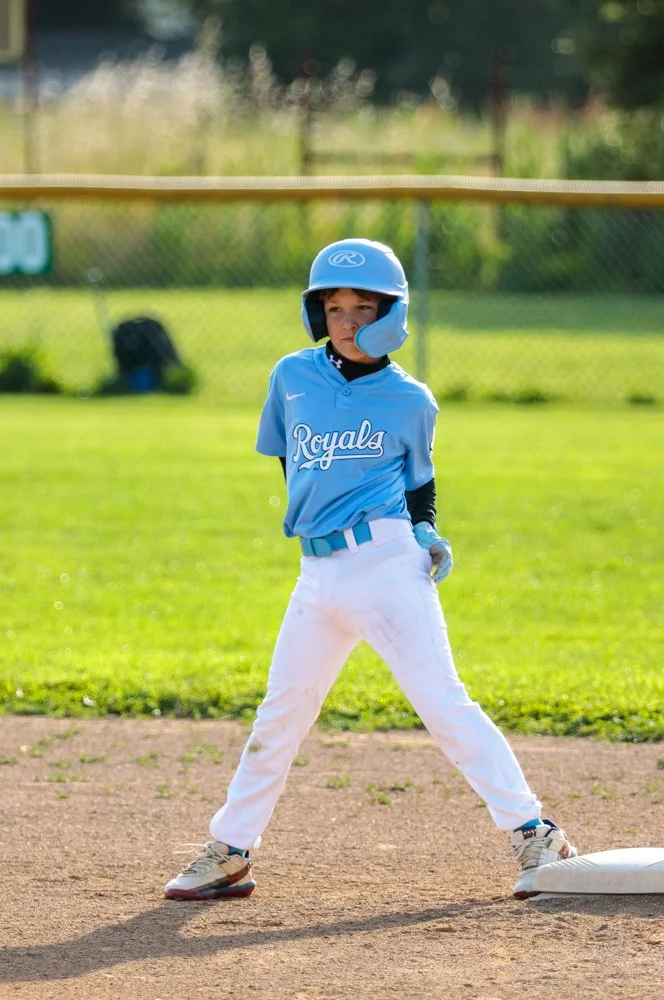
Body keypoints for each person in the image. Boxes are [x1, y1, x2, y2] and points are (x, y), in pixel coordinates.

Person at [163, 238, 576, 902]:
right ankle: (232, 852)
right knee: (280, 716)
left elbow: (420, 482)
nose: (346, 321)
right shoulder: (291, 378)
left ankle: (537, 836)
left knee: (443, 705)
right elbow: (293, 464)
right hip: (317, 574)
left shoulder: (410, 399)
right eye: (333, 308)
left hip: (386, 566)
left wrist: (426, 531)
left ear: (392, 315)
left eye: (362, 308)